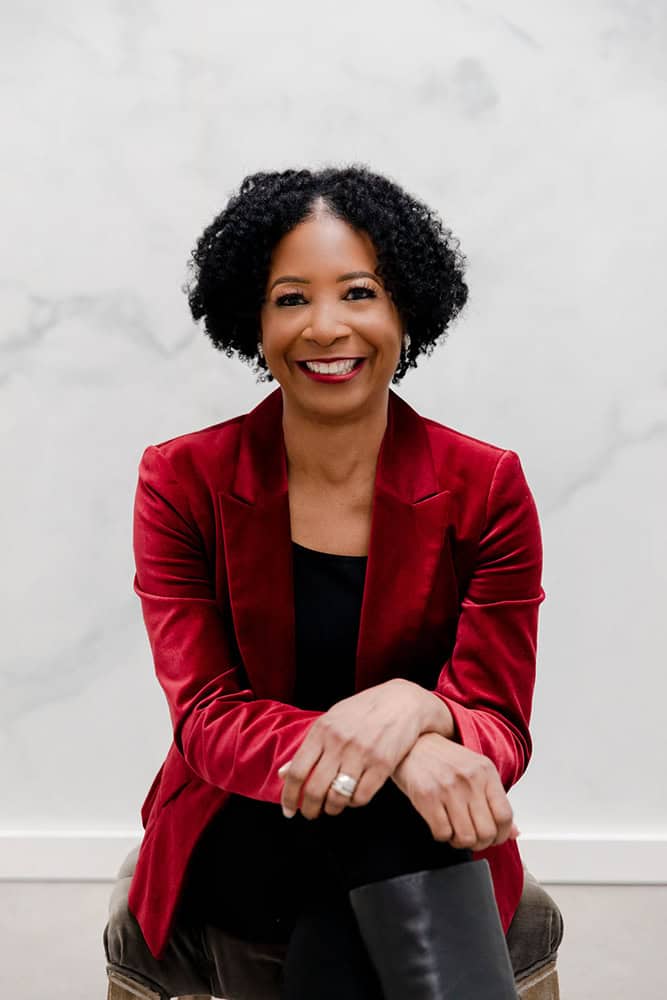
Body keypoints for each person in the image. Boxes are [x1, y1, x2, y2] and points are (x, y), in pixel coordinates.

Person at [121, 165, 547, 999]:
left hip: (422, 828)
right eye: (290, 298)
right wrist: (398, 749)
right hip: (242, 811)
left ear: (402, 313)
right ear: (252, 317)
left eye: (357, 292)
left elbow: (498, 725)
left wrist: (421, 709)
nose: (325, 326)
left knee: (379, 845)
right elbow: (206, 720)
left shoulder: (485, 485)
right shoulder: (182, 480)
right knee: (374, 831)